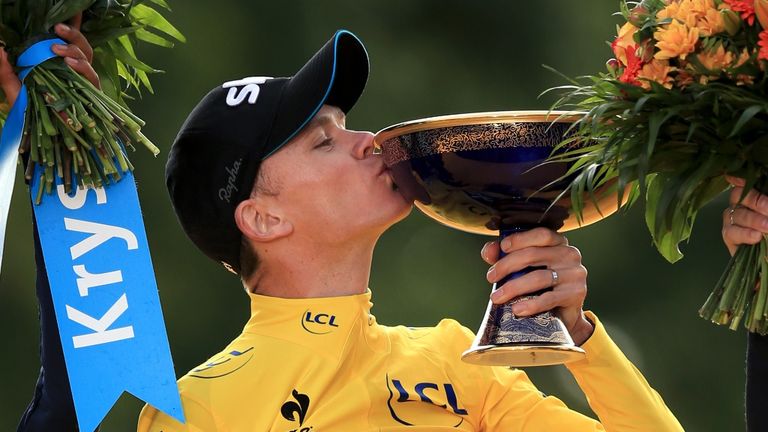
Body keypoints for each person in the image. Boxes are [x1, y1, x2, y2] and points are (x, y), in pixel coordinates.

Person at [136, 30, 682, 431]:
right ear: (264, 218)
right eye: (324, 141)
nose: (369, 139)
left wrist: (579, 336)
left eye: (347, 126)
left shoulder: (453, 359)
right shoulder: (201, 410)